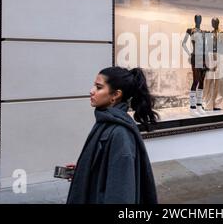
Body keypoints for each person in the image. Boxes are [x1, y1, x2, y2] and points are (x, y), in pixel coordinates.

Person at [66, 66, 159, 204]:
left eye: (98, 87)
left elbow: (121, 194)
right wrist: (85, 169)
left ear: (115, 95)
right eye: (94, 86)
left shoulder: (120, 134)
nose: (91, 91)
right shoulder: (106, 121)